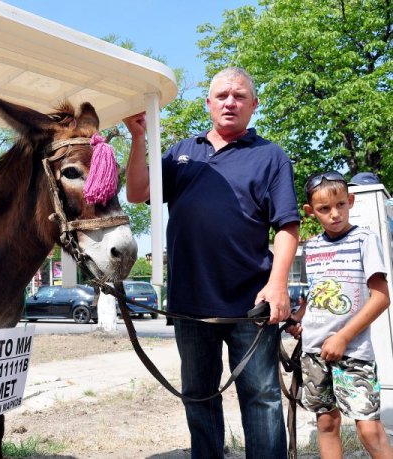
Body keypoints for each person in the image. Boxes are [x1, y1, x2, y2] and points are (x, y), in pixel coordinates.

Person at [123, 67, 300, 458]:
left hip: (251, 306)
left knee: (262, 398)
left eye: (239, 96)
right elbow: (137, 192)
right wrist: (138, 137)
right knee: (199, 397)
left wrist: (278, 284)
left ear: (254, 104)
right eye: (222, 95)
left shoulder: (270, 157)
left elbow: (288, 226)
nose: (230, 102)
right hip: (191, 304)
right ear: (208, 103)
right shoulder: (182, 152)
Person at [287, 171, 393, 459]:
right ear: (310, 212)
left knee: (370, 430)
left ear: (351, 201)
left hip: (353, 351)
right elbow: (317, 294)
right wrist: (300, 318)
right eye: (324, 209)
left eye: (341, 205)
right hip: (314, 352)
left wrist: (344, 337)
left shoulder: (364, 239)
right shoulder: (312, 246)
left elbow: (381, 297)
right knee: (326, 422)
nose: (334, 214)